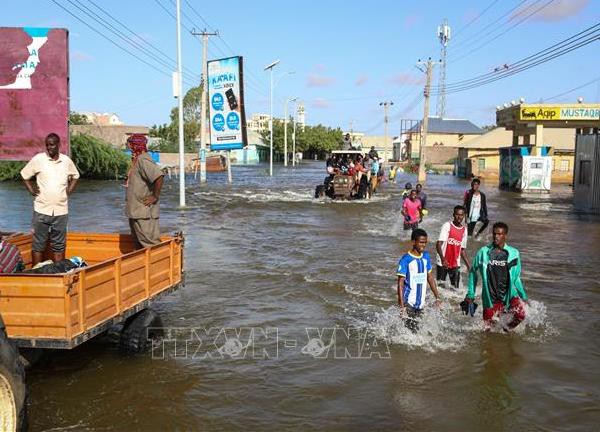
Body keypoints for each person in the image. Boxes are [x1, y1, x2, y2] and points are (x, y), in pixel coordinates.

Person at [20, 133, 80, 266]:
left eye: (52, 144)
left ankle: (59, 273)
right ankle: (36, 273)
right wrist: (31, 190)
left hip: (61, 211)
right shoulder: (38, 159)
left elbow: (76, 176)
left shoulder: (66, 161)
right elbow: (24, 175)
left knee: (59, 246)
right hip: (41, 209)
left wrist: (69, 190)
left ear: (59, 145)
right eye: (47, 145)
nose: (49, 147)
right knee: (38, 245)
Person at [464, 222, 528, 331]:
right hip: (490, 297)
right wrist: (471, 293)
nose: (496, 236)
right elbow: (473, 272)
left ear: (505, 236)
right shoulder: (483, 252)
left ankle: (506, 330)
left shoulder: (514, 253)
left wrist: (524, 296)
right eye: (494, 234)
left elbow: (516, 277)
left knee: (520, 315)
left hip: (509, 295)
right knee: (488, 329)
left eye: (499, 234)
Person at [396, 228, 442, 332]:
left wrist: (437, 297)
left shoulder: (426, 256)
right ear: (413, 242)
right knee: (413, 332)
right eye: (421, 242)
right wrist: (402, 306)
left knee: (418, 332)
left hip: (421, 304)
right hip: (409, 303)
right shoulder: (406, 259)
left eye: (425, 242)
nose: (423, 245)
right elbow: (400, 283)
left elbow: (429, 277)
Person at [125, 134, 164, 249]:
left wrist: (155, 196)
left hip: (144, 212)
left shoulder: (143, 160)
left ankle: (158, 266)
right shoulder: (137, 160)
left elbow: (159, 176)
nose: (128, 147)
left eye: (129, 144)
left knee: (150, 244)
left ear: (134, 145)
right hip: (136, 211)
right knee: (139, 245)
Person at [436, 206, 471, 289]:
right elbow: (438, 244)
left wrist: (469, 266)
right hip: (442, 261)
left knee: (455, 288)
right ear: (453, 215)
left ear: (464, 216)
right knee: (440, 286)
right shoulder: (447, 226)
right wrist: (443, 259)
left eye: (461, 215)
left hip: (455, 262)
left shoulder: (464, 230)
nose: (459, 217)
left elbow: (462, 250)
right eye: (457, 215)